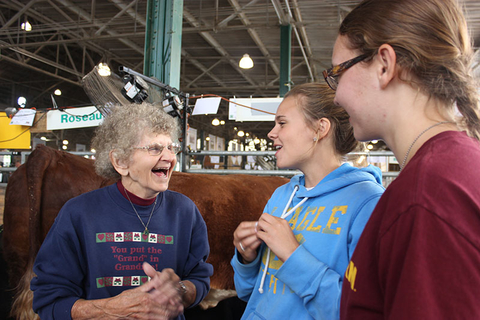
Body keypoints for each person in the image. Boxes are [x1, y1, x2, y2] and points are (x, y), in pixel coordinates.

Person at [323, 0, 480, 318]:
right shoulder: (443, 170)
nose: (336, 95)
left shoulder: (427, 195)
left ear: (384, 65)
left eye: (338, 73)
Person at [30, 103, 213, 319]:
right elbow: (49, 301)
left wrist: (181, 290)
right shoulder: (78, 214)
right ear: (120, 161)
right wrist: (111, 309)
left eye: (171, 148)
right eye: (155, 148)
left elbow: (200, 280)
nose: (169, 157)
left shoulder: (185, 211)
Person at [231, 83, 385, 319]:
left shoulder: (367, 203)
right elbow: (249, 291)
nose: (272, 133)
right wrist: (246, 258)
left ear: (320, 128)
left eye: (282, 123)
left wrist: (293, 255)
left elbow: (358, 310)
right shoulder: (282, 196)